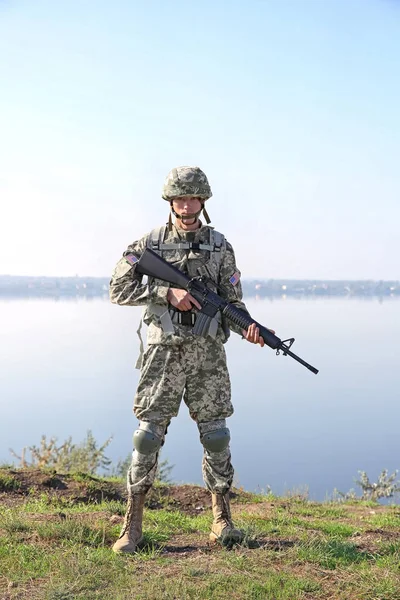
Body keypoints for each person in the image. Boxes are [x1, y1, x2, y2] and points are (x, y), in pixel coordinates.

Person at [109, 166, 269, 554]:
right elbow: (118, 288)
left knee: (216, 436)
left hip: (207, 356)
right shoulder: (149, 243)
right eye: (180, 198)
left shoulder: (220, 245)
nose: (186, 204)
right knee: (147, 437)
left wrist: (248, 326)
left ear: (203, 201)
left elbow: (232, 301)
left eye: (193, 198)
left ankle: (222, 519)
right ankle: (132, 525)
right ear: (171, 202)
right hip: (162, 354)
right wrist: (165, 293)